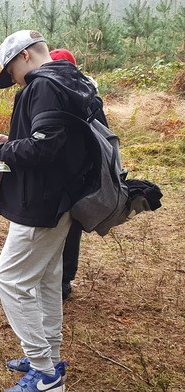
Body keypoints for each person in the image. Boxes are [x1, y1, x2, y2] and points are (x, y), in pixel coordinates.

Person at [0, 30, 96, 392]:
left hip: (42, 202)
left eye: (11, 69)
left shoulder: (43, 85)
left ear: (25, 56)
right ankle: (50, 358)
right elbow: (57, 143)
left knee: (9, 280)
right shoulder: (72, 81)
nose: (14, 79)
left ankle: (44, 373)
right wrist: (10, 143)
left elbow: (42, 150)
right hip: (63, 198)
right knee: (46, 279)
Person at [49, 48, 108, 301]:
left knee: (69, 228)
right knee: (60, 227)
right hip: (64, 173)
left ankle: (63, 279)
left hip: (75, 175)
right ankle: (57, 277)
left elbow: (101, 135)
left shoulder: (88, 98)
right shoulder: (60, 94)